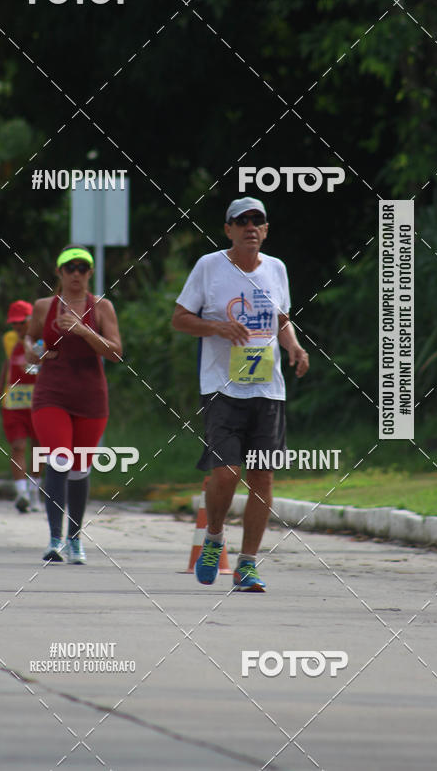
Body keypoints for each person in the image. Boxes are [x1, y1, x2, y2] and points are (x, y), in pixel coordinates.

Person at [171, 197, 309, 592]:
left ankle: (248, 564)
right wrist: (217, 328)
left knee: (262, 478)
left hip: (268, 391)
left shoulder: (277, 269)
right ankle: (214, 537)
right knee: (226, 473)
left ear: (265, 230)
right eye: (242, 221)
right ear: (228, 229)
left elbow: (281, 320)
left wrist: (294, 348)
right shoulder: (209, 267)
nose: (251, 227)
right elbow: (180, 318)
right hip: (222, 390)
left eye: (258, 221)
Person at [26, 245, 122, 564]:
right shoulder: (44, 306)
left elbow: (116, 352)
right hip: (51, 393)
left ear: (91, 273)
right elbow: (30, 342)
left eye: (83, 268)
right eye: (71, 268)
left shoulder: (102, 307)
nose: (77, 274)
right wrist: (33, 352)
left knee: (80, 469)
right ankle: (54, 539)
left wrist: (83, 330)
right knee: (60, 459)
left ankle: (75, 540)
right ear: (59, 272)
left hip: (91, 397)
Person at [0, 300, 41, 513]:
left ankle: (35, 493)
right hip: (14, 402)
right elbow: (7, 362)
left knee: (39, 448)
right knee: (18, 446)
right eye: (14, 324)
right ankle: (20, 493)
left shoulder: (42, 340)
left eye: (22, 323)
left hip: (38, 402)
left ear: (31, 320)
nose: (18, 328)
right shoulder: (9, 339)